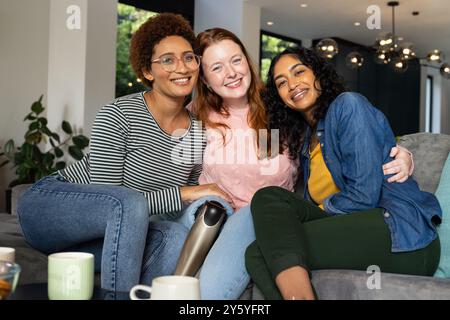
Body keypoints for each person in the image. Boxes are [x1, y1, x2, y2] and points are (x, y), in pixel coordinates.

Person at [175, 28, 415, 299]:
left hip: (266, 218)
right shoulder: (195, 116)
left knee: (258, 224)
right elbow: (168, 168)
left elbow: (356, 133)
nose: (231, 72)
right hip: (216, 215)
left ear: (248, 61)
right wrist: (195, 192)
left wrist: (403, 152)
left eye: (236, 60)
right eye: (216, 67)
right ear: (205, 80)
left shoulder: (279, 108)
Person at [16, 13, 230, 294]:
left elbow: (173, 208)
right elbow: (112, 202)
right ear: (147, 72)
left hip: (110, 234)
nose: (182, 67)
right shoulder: (118, 114)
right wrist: (186, 193)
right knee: (127, 203)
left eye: (189, 57)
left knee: (175, 236)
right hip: (50, 208)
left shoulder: (197, 134)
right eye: (167, 59)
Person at [245, 46, 442, 300]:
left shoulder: (348, 106)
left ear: (318, 73)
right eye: (282, 83)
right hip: (355, 227)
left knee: (262, 252)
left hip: (399, 232)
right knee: (266, 203)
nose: (292, 84)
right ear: (280, 96)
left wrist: (405, 154)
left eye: (299, 72)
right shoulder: (307, 139)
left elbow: (364, 195)